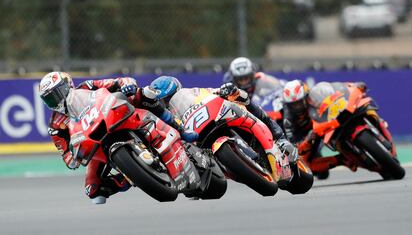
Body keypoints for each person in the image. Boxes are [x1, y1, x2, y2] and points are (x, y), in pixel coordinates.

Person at [39, 72, 198, 203]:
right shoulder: (55, 126)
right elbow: (67, 157)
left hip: (115, 114)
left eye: (56, 94)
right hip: (95, 144)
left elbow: (116, 82)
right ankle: (131, 177)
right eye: (49, 99)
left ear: (67, 86)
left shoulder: (87, 87)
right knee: (92, 190)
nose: (55, 101)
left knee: (142, 95)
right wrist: (73, 156)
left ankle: (180, 129)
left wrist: (126, 84)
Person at [149, 76, 299, 182]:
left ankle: (279, 138)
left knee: (243, 102)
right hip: (198, 136)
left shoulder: (193, 92)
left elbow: (211, 92)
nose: (166, 103)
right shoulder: (166, 118)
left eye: (167, 99)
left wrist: (227, 90)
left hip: (217, 118)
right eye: (162, 102)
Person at [282, 80, 368, 178]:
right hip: (310, 135)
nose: (297, 107)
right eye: (293, 105)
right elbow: (294, 147)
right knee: (304, 167)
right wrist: (307, 140)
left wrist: (351, 87)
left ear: (306, 96)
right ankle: (343, 160)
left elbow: (337, 89)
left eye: (299, 102)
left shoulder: (316, 94)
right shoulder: (288, 120)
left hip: (326, 121)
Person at [224, 57, 286, 121]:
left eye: (246, 78)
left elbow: (280, 86)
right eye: (240, 79)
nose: (244, 82)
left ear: (252, 75)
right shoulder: (229, 92)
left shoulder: (262, 79)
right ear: (234, 80)